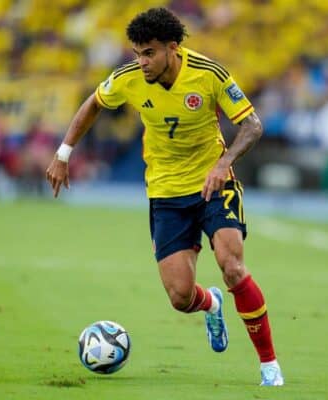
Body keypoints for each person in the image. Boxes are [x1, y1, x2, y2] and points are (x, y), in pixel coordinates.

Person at [46, 7, 284, 386]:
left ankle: (269, 366)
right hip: (165, 193)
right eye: (137, 53)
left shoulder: (209, 74)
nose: (141, 62)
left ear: (173, 48)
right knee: (179, 296)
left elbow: (252, 125)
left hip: (212, 186)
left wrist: (223, 163)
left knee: (232, 266)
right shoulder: (128, 78)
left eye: (149, 53)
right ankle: (211, 304)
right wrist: (63, 154)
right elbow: (93, 104)